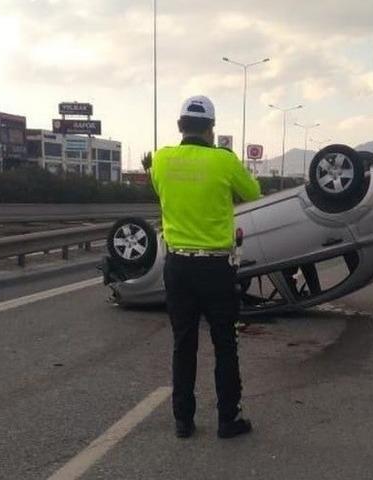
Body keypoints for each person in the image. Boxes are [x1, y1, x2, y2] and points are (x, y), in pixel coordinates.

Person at [151, 95, 262, 438]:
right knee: (224, 343)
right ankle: (228, 419)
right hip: (215, 267)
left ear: (180, 126)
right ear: (211, 130)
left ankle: (183, 420)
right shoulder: (224, 161)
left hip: (178, 266)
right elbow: (254, 193)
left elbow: (161, 193)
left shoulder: (161, 160)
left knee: (183, 343)